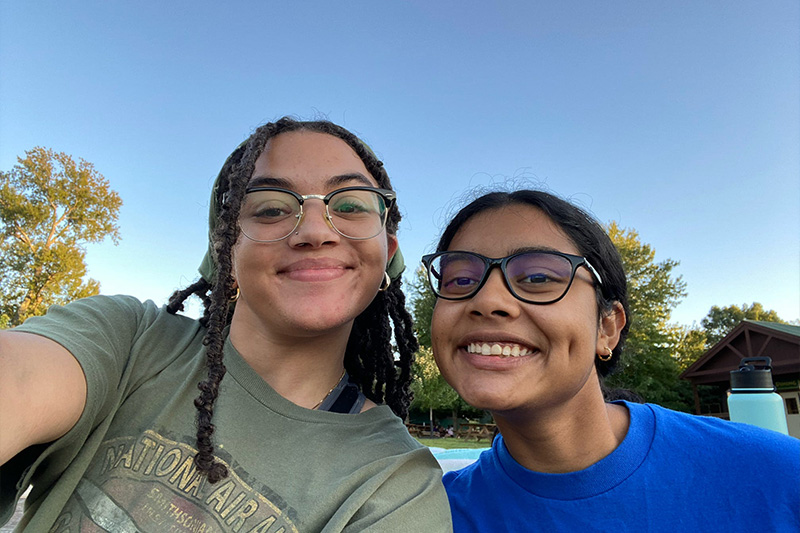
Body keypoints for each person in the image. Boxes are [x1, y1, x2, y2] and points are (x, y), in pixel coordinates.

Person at [0, 117, 452, 532]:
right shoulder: (129, 342)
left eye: (351, 205)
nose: (315, 230)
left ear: (386, 250)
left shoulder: (396, 486)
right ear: (226, 253)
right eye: (271, 208)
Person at [422, 189, 799, 532]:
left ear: (607, 327)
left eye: (537, 276)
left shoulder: (776, 475)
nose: (487, 300)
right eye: (460, 279)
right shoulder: (432, 517)